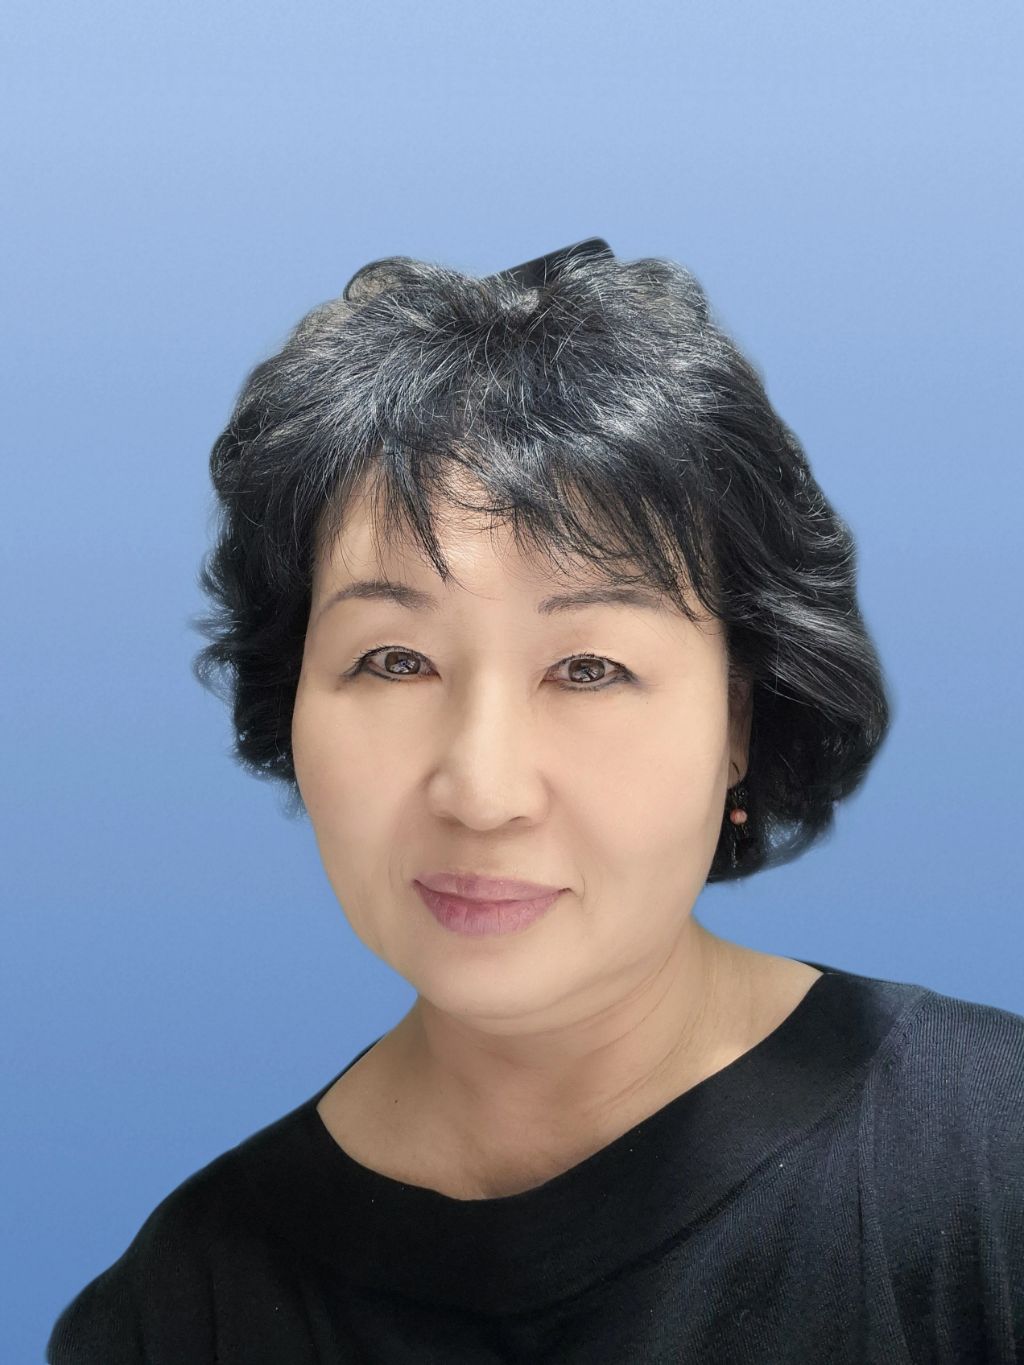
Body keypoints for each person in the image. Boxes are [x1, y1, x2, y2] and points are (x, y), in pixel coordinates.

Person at [47, 239, 1024, 1363]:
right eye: (396, 661)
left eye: (588, 668)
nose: (482, 791)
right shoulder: (176, 1315)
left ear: (738, 720)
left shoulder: (987, 1160)